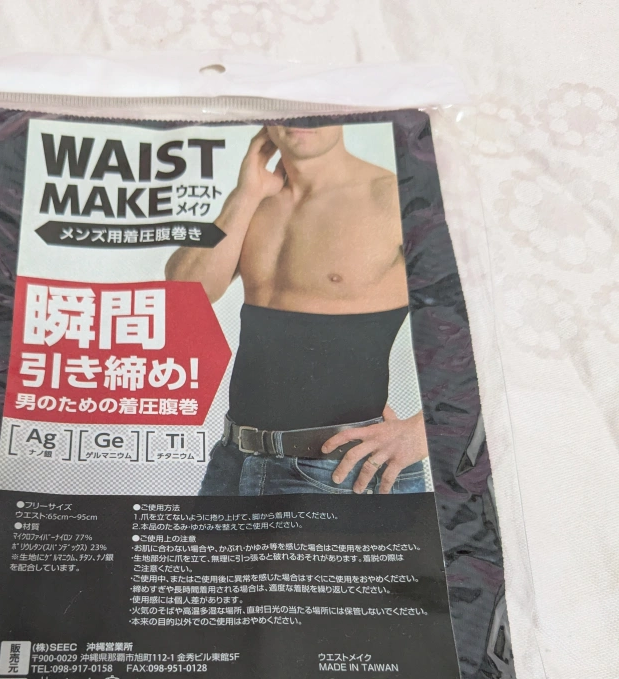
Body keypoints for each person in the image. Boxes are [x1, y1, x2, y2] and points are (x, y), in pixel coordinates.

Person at [165, 124, 429, 496]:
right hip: (234, 461)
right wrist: (245, 193)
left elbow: (490, 318)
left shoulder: (394, 196)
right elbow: (185, 293)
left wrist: (424, 430)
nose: (301, 117)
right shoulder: (257, 200)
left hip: (339, 470)